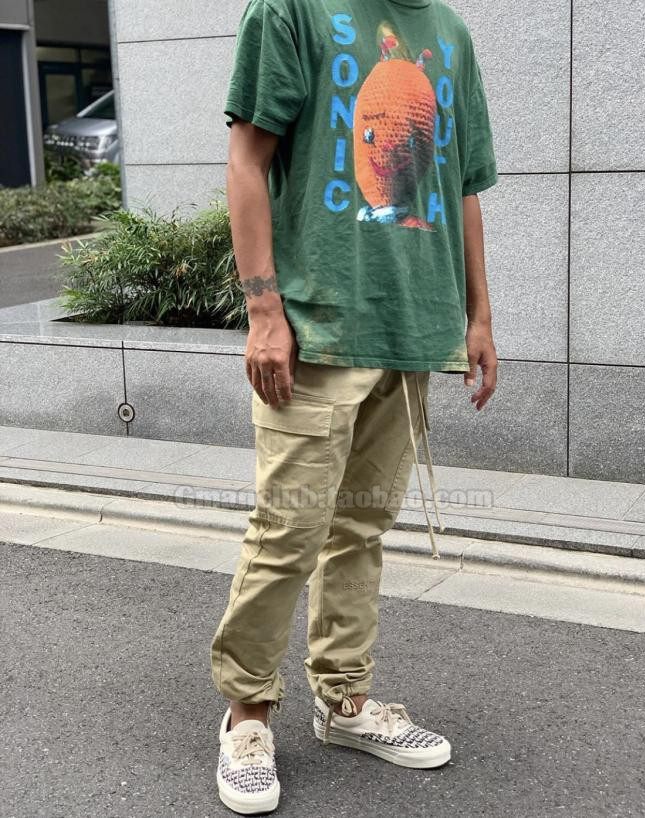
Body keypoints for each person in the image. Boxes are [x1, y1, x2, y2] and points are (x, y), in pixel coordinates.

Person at [210, 0, 498, 812]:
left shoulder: (450, 33)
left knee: (361, 529)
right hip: (316, 327)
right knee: (288, 531)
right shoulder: (291, 9)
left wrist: (479, 317)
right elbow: (246, 160)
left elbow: (461, 185)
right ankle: (246, 717)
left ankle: (343, 701)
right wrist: (263, 312)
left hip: (410, 331)